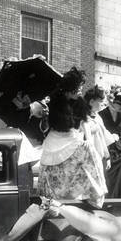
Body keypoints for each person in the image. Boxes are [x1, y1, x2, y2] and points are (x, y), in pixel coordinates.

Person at [38, 67, 107, 208]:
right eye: (79, 87)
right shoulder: (54, 101)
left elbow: (84, 122)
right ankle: (52, 199)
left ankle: (95, 195)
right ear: (71, 88)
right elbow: (46, 127)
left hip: (73, 139)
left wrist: (87, 140)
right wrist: (44, 114)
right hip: (55, 140)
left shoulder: (80, 102)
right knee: (54, 171)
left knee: (91, 153)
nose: (81, 90)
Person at [83, 85, 118, 170]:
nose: (103, 104)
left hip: (97, 157)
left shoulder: (98, 117)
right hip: (86, 157)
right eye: (101, 101)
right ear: (91, 102)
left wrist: (107, 157)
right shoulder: (83, 118)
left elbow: (102, 137)